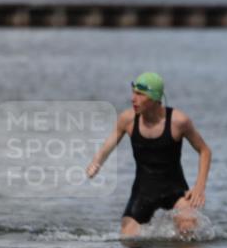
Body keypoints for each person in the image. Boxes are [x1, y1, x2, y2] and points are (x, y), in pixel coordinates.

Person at [86, 72, 212, 238]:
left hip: (174, 191)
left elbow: (204, 150)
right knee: (128, 238)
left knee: (188, 228)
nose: (133, 98)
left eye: (139, 94)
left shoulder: (179, 122)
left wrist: (199, 187)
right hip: (142, 192)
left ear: (154, 98)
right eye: (133, 92)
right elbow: (108, 145)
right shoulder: (127, 120)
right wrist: (96, 162)